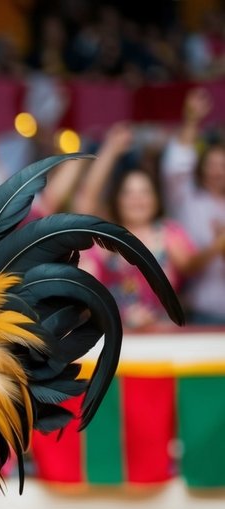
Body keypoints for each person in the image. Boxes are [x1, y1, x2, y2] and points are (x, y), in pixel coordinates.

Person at [73, 124, 203, 330]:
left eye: (144, 192)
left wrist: (216, 246)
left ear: (156, 198)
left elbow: (193, 265)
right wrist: (111, 150)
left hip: (162, 339)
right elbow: (85, 199)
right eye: (128, 193)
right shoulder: (105, 235)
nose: (137, 199)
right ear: (117, 199)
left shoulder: (169, 233)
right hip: (113, 338)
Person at [161, 88, 225, 325]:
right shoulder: (189, 200)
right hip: (202, 312)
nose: (218, 171)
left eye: (223, 164)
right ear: (201, 168)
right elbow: (176, 168)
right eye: (212, 164)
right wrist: (191, 120)